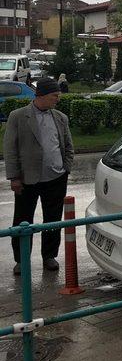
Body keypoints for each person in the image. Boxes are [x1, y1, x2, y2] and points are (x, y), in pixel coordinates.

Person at [3, 77, 74, 275]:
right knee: (22, 220)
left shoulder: (60, 117)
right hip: (27, 180)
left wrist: (65, 168)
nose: (57, 99)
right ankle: (21, 259)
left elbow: (68, 146)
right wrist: (14, 177)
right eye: (54, 96)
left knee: (53, 219)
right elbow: (10, 150)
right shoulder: (18, 116)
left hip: (56, 178)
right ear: (40, 95)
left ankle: (49, 256)